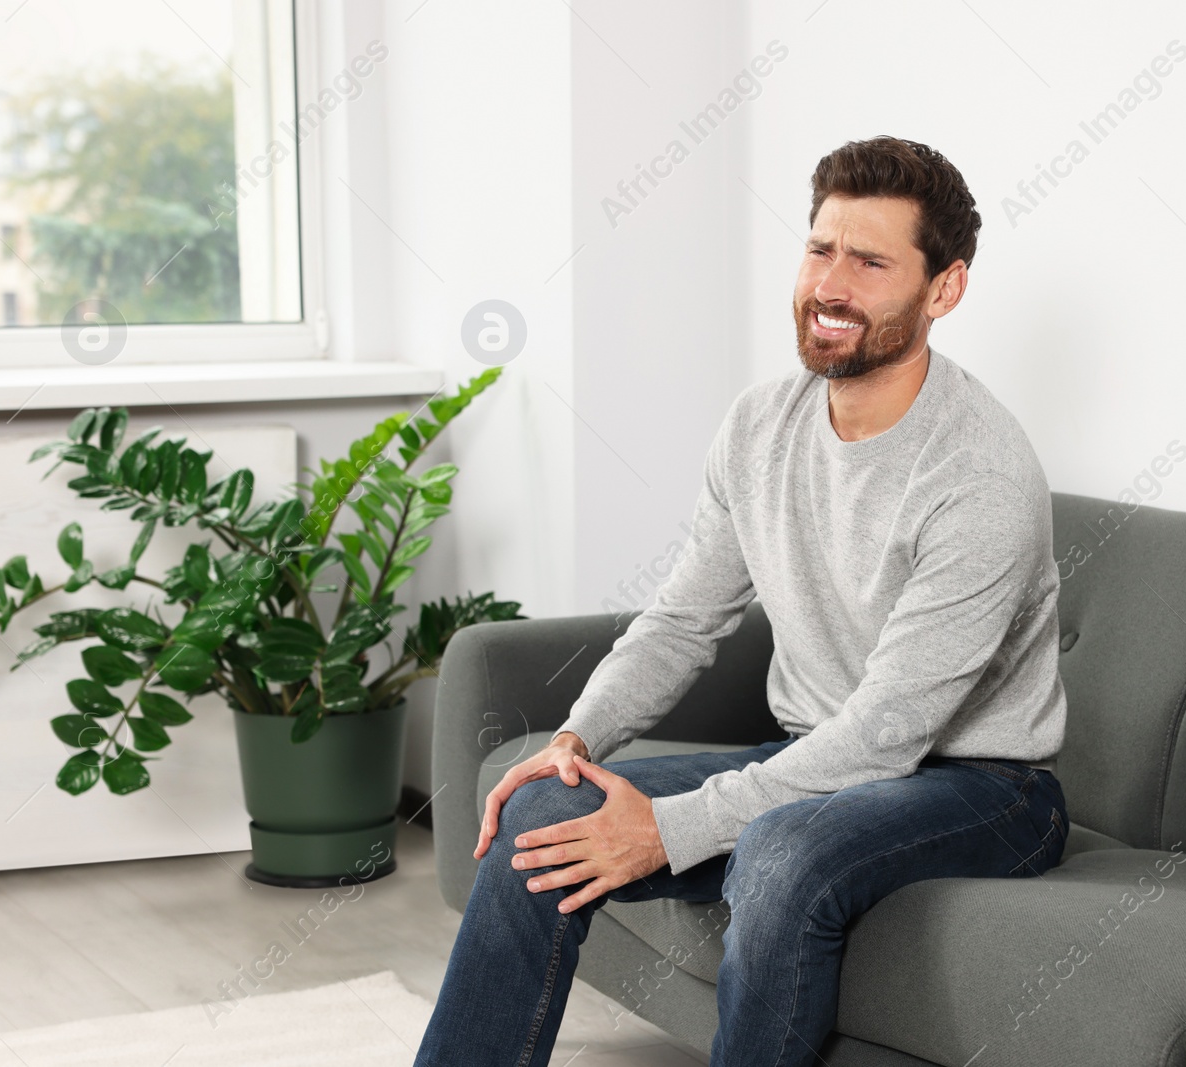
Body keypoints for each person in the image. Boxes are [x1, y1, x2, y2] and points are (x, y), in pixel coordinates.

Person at [412, 135, 1069, 1067]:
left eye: (871, 261)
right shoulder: (763, 424)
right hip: (817, 757)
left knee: (781, 854)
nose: (829, 285)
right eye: (819, 249)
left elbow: (888, 732)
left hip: (983, 787)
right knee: (541, 818)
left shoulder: (980, 473)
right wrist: (578, 738)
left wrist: (668, 826)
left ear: (944, 289)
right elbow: (682, 619)